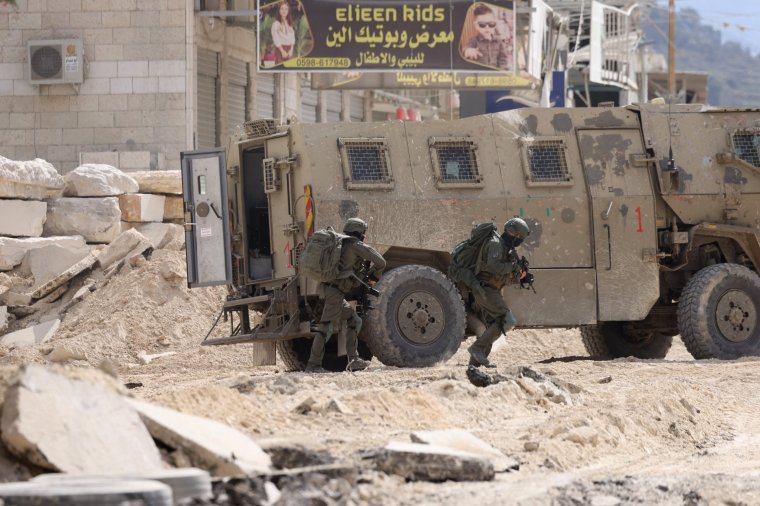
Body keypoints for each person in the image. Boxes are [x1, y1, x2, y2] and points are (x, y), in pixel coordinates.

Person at [306, 217, 386, 373]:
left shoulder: (338, 243)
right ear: (360, 233)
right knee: (326, 327)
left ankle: (354, 360)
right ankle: (313, 365)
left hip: (326, 289)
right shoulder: (356, 246)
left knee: (353, 320)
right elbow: (381, 262)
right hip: (334, 292)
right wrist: (374, 278)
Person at [456, 217, 530, 368]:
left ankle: (475, 362)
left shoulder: (504, 247)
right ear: (514, 234)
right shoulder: (496, 244)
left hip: (490, 290)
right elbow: (494, 267)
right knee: (507, 321)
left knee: (492, 326)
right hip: (485, 290)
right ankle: (477, 349)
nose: (520, 242)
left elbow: (500, 277)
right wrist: (513, 267)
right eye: (520, 238)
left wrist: (519, 277)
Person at [462, 3, 511, 70]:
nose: (487, 28)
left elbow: (503, 58)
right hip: (480, 74)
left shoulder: (499, 41)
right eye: (482, 24)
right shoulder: (474, 41)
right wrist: (468, 51)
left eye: (491, 24)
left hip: (494, 75)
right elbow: (465, 49)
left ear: (495, 24)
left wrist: (501, 71)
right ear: (476, 26)